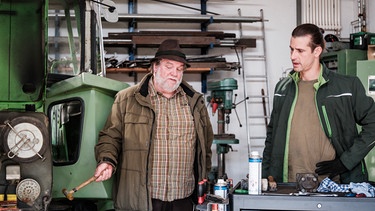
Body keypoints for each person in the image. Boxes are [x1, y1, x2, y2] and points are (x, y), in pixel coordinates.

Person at [94, 39, 214, 211]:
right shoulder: (127, 99)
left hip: (184, 199)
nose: (175, 73)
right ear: (155, 67)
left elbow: (206, 146)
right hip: (142, 199)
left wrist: (204, 176)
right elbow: (110, 136)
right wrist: (107, 160)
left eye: (180, 69)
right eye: (169, 66)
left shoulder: (195, 102)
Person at [262, 23, 375, 184]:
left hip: (333, 185)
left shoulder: (347, 87)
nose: (293, 56)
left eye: (300, 51)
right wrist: (265, 175)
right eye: (291, 49)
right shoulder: (283, 88)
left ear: (317, 51)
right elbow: (271, 136)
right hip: (286, 185)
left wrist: (346, 162)